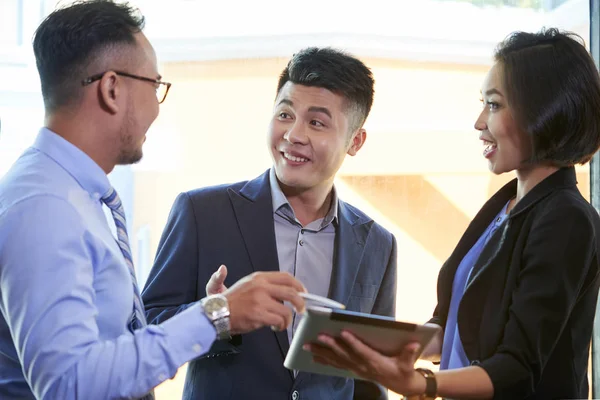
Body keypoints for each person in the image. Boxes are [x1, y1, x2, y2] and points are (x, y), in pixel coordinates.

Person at [0, 2, 306, 399]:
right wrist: (214, 315)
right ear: (112, 88)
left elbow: (109, 349)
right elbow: (69, 385)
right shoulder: (45, 208)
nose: (156, 109)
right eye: (154, 85)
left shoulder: (76, 195)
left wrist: (213, 312)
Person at [306, 28, 600, 400]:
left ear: (542, 110)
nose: (480, 122)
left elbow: (518, 368)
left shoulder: (566, 219)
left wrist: (421, 383)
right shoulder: (505, 205)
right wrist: (373, 346)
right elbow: (455, 328)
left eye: (493, 105)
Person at [141, 47, 397, 400]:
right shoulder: (202, 212)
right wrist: (216, 313)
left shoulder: (377, 244)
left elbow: (370, 377)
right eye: (285, 114)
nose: (293, 134)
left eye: (317, 122)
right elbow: (144, 330)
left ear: (355, 141)